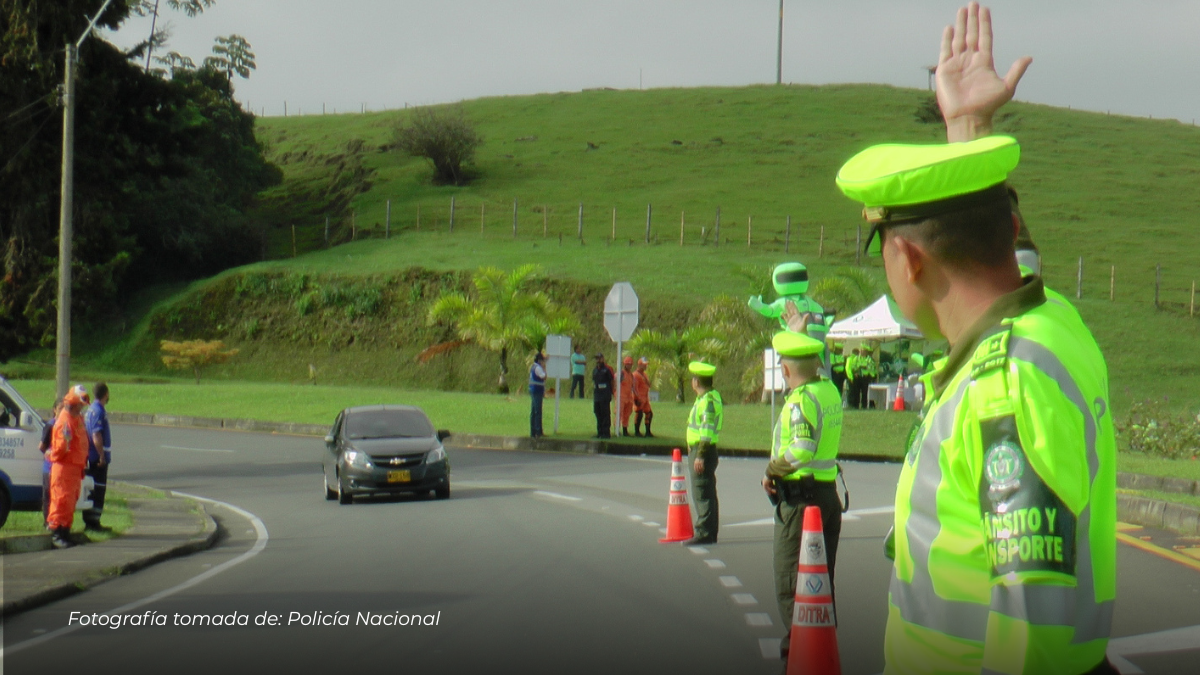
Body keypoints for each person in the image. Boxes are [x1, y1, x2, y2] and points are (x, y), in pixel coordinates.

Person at [835, 5, 1116, 673]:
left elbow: (1032, 641)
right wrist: (968, 130)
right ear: (1010, 228)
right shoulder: (1048, 321)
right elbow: (1001, 253)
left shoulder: (1005, 390)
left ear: (907, 260)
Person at [762, 330, 844, 662]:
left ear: (785, 369)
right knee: (820, 577)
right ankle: (822, 645)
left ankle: (800, 648)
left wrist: (773, 469)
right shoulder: (829, 391)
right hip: (827, 496)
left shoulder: (801, 400)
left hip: (800, 501)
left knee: (791, 575)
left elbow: (802, 448)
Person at [683, 361, 722, 546]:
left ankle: (704, 532)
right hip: (701, 449)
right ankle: (710, 532)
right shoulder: (708, 398)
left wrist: (700, 455)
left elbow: (706, 430)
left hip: (702, 450)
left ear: (697, 382)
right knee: (708, 492)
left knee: (702, 493)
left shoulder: (707, 402)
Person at [48, 387, 90, 549]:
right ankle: (57, 534)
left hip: (74, 469)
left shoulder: (76, 419)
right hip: (64, 468)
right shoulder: (65, 421)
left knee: (70, 501)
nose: (81, 408)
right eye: (80, 405)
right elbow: (60, 448)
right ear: (73, 403)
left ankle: (65, 532)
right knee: (61, 500)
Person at [83, 382, 113, 531]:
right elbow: (96, 435)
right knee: (98, 490)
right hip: (96, 459)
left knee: (91, 489)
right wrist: (101, 455)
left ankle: (91, 521)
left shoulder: (90, 410)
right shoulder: (98, 411)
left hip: (91, 456)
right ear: (105, 394)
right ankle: (93, 523)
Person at [39, 398, 63, 528]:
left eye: (64, 408)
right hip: (49, 467)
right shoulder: (50, 425)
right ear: (54, 410)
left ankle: (56, 520)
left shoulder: (65, 425)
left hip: (60, 468)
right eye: (60, 408)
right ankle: (47, 521)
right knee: (48, 495)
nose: (62, 411)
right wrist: (49, 453)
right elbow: (42, 446)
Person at [591, 354, 615, 439]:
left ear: (603, 359)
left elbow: (612, 381)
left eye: (599, 358)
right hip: (597, 394)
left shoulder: (607, 369)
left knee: (605, 413)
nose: (598, 360)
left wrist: (612, 391)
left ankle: (606, 433)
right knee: (597, 412)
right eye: (596, 359)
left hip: (605, 394)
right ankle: (600, 432)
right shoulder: (595, 370)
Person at [632, 357, 654, 437]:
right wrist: (635, 398)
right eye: (644, 365)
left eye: (646, 365)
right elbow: (634, 387)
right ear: (639, 365)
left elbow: (648, 384)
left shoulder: (644, 374)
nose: (646, 366)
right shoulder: (635, 375)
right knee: (639, 413)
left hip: (645, 398)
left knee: (649, 413)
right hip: (639, 397)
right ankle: (637, 431)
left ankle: (648, 432)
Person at [528, 353, 546, 438]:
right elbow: (544, 376)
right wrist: (544, 368)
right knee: (537, 411)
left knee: (534, 411)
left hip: (533, 390)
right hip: (537, 391)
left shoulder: (533, 366)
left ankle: (533, 431)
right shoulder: (538, 368)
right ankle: (538, 431)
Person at [618, 356, 635, 437]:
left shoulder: (631, 375)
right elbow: (615, 383)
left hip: (629, 397)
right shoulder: (621, 373)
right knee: (619, 413)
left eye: (630, 364)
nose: (629, 366)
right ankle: (617, 430)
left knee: (627, 414)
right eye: (628, 364)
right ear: (624, 364)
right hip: (621, 396)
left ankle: (625, 430)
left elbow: (632, 386)